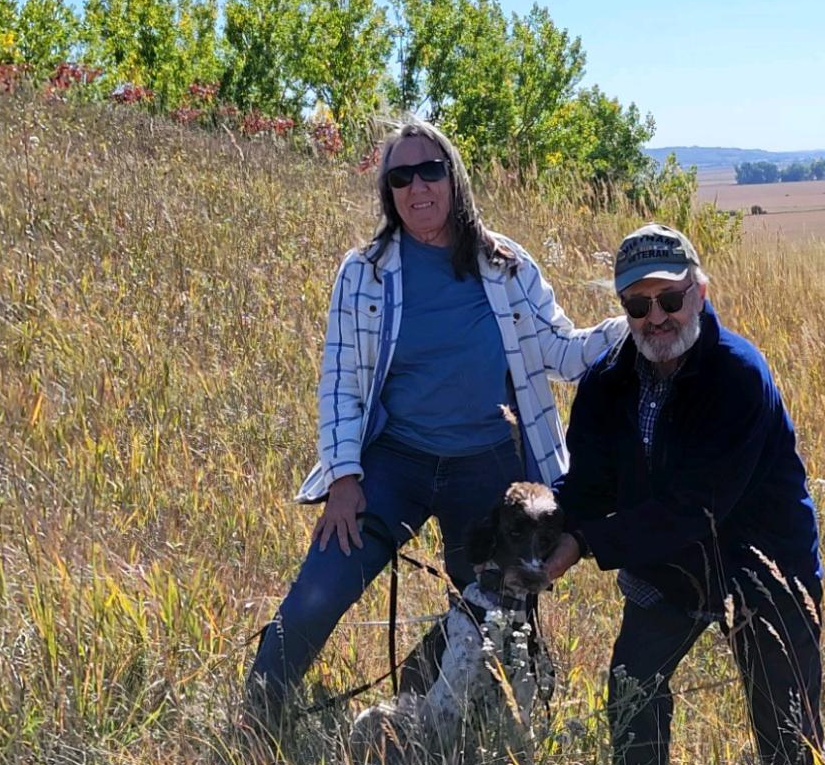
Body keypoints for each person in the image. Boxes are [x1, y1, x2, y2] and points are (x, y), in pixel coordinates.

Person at [246, 120, 623, 726]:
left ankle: (426, 710)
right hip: (393, 462)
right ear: (388, 192)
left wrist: (638, 318)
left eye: (430, 171)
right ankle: (256, 719)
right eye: (401, 176)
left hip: (489, 466)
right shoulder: (364, 272)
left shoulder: (505, 263)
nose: (417, 186)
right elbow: (341, 379)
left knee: (498, 607)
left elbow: (562, 352)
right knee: (321, 589)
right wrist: (344, 477)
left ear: (454, 178)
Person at [545, 224, 825, 765]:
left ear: (700, 292)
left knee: (784, 715)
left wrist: (583, 544)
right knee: (631, 689)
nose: (656, 318)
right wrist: (541, 522)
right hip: (668, 567)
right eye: (637, 305)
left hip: (764, 566)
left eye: (669, 299)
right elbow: (588, 484)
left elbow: (696, 507)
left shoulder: (739, 376)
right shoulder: (604, 383)